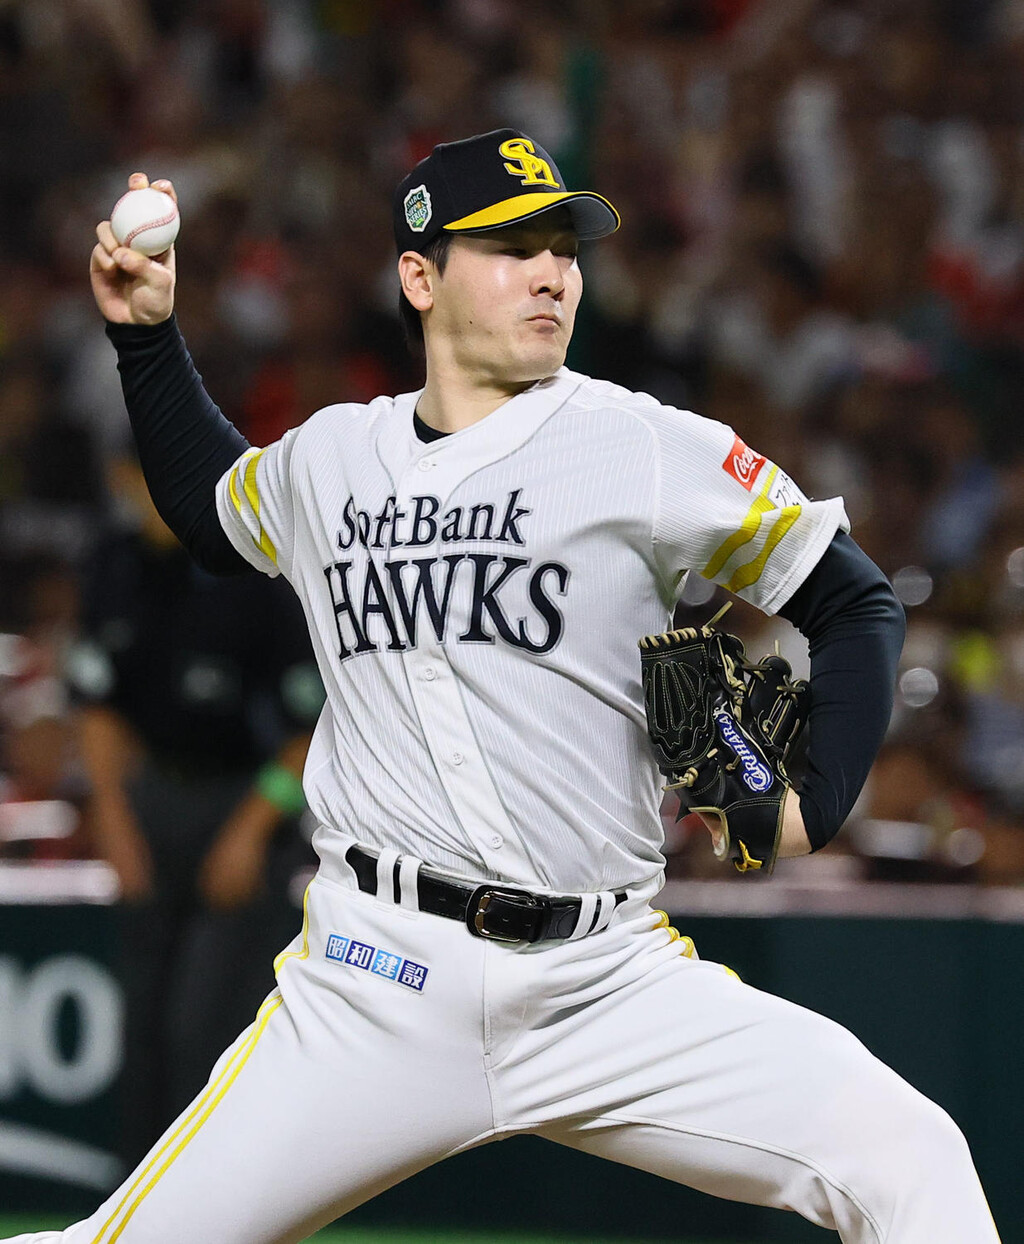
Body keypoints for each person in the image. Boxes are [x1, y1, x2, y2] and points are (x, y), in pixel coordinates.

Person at [9, 129, 998, 1243]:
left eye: (563, 249)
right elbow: (208, 505)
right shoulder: (332, 458)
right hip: (377, 979)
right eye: (512, 248)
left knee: (910, 1157)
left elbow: (853, 598)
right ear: (420, 276)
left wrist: (819, 795)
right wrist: (146, 337)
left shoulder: (644, 446)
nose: (552, 274)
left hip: (607, 979)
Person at [68, 445, 324, 1162]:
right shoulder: (114, 566)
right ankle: (136, 1197)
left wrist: (250, 833)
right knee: (143, 1024)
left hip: (243, 802)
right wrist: (114, 819)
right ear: (121, 480)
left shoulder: (255, 575)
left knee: (204, 1024)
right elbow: (96, 706)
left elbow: (307, 735)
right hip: (151, 804)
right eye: (135, 478)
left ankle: (213, 1191)